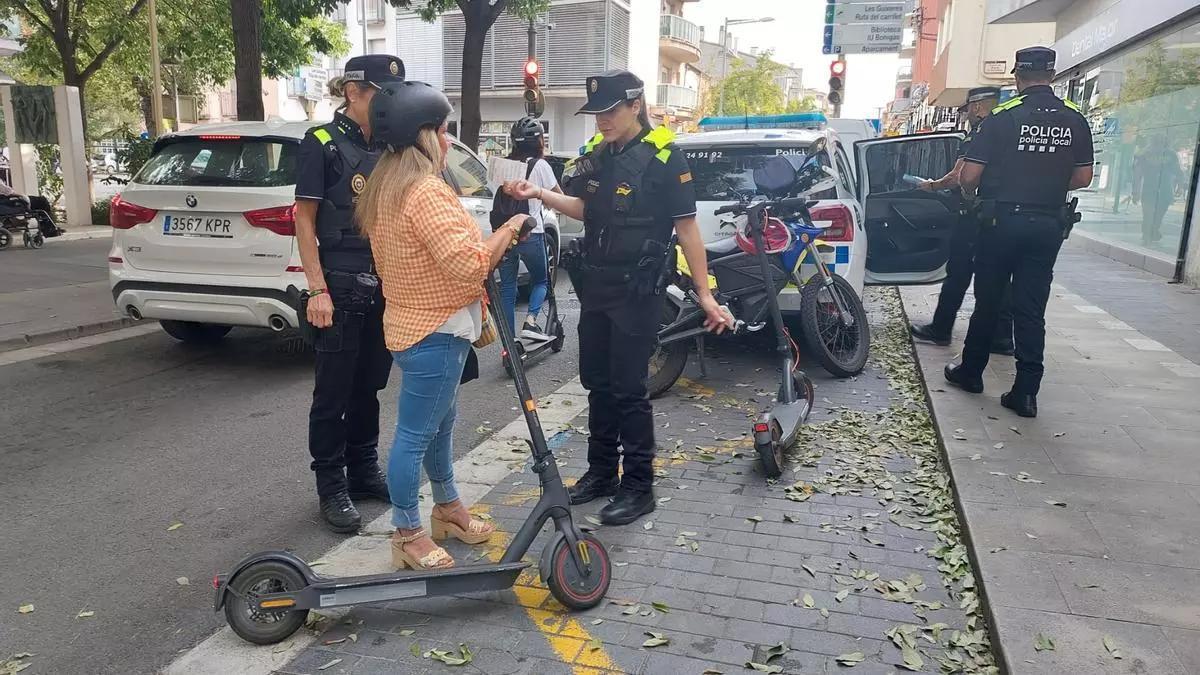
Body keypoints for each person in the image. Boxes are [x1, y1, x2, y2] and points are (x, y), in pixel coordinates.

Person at [505, 70, 730, 526]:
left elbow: (687, 229)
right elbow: (586, 209)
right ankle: (602, 473)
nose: (602, 121)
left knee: (629, 389)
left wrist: (705, 293)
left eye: (610, 111)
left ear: (635, 106)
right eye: (597, 113)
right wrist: (540, 193)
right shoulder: (598, 154)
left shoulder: (665, 157)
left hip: (637, 290)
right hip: (597, 285)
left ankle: (639, 487)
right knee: (597, 383)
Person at [356, 80, 529, 570]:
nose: (448, 139)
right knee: (415, 435)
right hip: (435, 330)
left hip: (412, 326)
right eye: (443, 130)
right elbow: (469, 264)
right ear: (423, 135)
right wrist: (510, 228)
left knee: (439, 425)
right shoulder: (426, 191)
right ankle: (408, 532)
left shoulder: (386, 186)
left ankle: (448, 509)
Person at [944, 47, 1094, 418]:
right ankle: (1026, 392)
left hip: (1000, 222)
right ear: (1052, 75)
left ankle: (971, 373)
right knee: (1031, 308)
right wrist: (1046, 182)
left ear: (1017, 76)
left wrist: (981, 191)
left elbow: (969, 176)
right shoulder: (1074, 118)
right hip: (1047, 224)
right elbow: (1083, 177)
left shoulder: (1002, 117)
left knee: (989, 301)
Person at [294, 55, 404, 532]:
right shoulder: (321, 143)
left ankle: (362, 470)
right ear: (353, 91)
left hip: (382, 284)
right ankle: (331, 485)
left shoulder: (390, 148)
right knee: (332, 393)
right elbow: (304, 220)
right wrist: (317, 288)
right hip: (337, 284)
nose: (388, 102)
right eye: (382, 93)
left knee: (370, 387)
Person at [911, 86, 1014, 355]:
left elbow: (960, 176)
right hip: (1005, 215)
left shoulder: (982, 132)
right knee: (999, 278)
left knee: (958, 273)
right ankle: (1002, 338)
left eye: (967, 108)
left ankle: (941, 328)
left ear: (977, 107)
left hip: (974, 215)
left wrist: (932, 186)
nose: (966, 114)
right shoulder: (1010, 128)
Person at [496, 116, 560, 341]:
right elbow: (557, 197)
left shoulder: (501, 164)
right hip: (531, 233)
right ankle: (531, 322)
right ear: (540, 141)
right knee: (541, 280)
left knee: (507, 287)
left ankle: (509, 341)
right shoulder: (540, 165)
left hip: (504, 233)